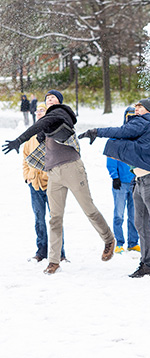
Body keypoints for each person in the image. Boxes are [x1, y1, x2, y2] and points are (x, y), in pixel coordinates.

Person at [3, 89, 115, 274]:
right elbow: (41, 132)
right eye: (47, 99)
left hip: (71, 167)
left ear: (59, 101)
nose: (50, 100)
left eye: (53, 97)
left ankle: (108, 238)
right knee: (54, 218)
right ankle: (54, 261)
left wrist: (19, 139)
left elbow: (44, 122)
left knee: (89, 209)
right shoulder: (47, 125)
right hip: (53, 173)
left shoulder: (62, 112)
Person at [78, 98, 150, 278]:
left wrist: (97, 132)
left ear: (149, 111)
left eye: (140, 107)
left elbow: (121, 132)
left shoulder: (144, 122)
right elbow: (127, 139)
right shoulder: (144, 127)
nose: (136, 109)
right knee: (140, 223)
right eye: (136, 106)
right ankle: (147, 265)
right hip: (140, 181)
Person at [23, 102, 66, 262]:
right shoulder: (31, 135)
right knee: (39, 219)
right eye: (38, 110)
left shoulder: (55, 132)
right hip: (34, 184)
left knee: (55, 220)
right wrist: (27, 176)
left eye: (43, 110)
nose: (40, 112)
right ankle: (41, 251)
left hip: (52, 184)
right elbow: (25, 158)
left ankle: (60, 253)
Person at [107, 107, 139, 254]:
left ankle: (133, 243)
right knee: (118, 215)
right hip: (120, 182)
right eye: (129, 116)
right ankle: (119, 242)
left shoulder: (140, 137)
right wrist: (115, 176)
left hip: (136, 183)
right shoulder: (118, 136)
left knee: (134, 216)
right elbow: (111, 157)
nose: (131, 119)